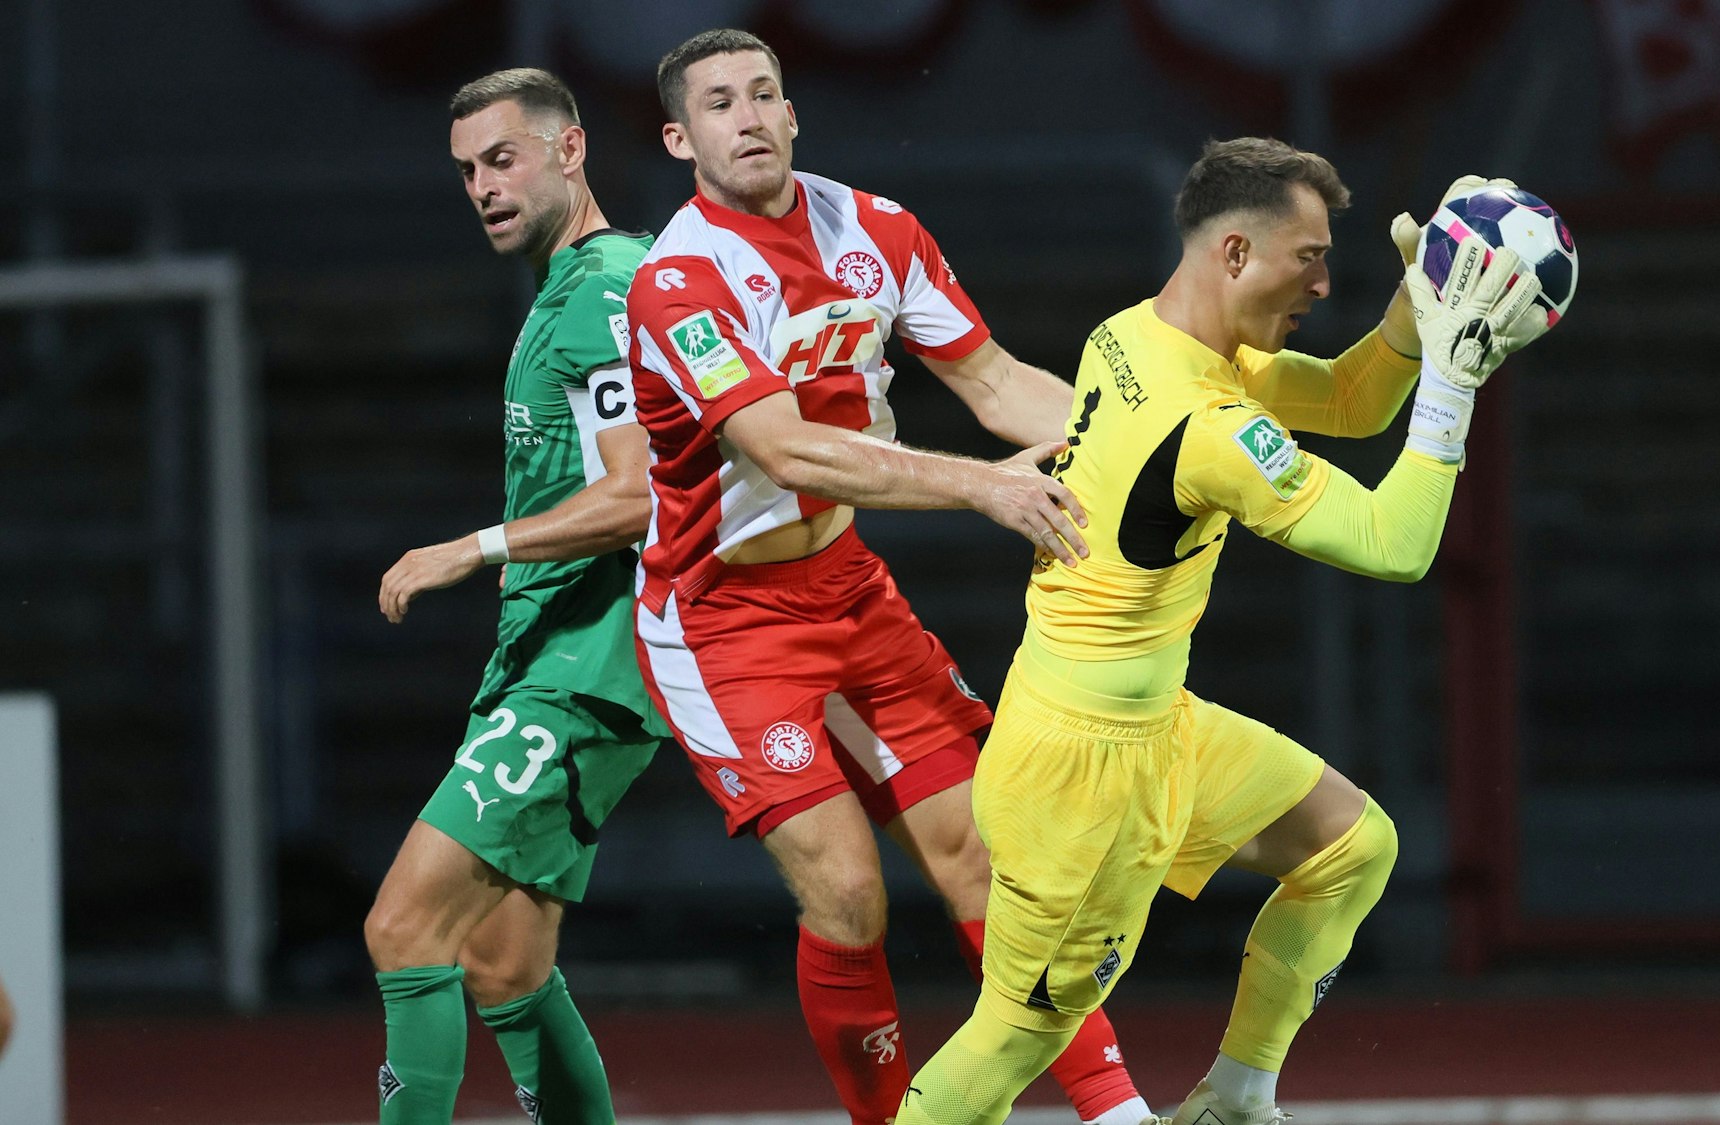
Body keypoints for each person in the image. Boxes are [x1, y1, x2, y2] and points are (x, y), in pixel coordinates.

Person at [893, 140, 1552, 1125]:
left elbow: (1343, 398)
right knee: (1014, 1033)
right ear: (1235, 254)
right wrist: (1453, 381)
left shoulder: (1131, 335)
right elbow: (1394, 544)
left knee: (1351, 845)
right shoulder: (1202, 423)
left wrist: (1414, 316)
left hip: (1149, 721)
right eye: (1308, 259)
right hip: (1079, 772)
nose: (1323, 284)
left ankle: (1233, 1099)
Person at [622, 28, 1150, 1125]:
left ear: (794, 111)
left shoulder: (877, 227)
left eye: (765, 93)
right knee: (850, 897)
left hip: (848, 589)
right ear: (680, 137)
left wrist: (1165, 442)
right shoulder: (677, 281)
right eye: (720, 103)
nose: (751, 116)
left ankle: (1119, 1114)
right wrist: (980, 490)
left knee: (984, 861)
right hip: (721, 623)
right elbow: (784, 450)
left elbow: (998, 385)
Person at [364, 67, 670, 1125]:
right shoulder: (575, 286)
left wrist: (473, 547)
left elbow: (639, 495)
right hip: (559, 662)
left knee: (404, 926)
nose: (483, 187)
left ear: (571, 150)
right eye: (466, 172)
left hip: (586, 672)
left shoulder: (598, 288)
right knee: (502, 964)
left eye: (503, 159)